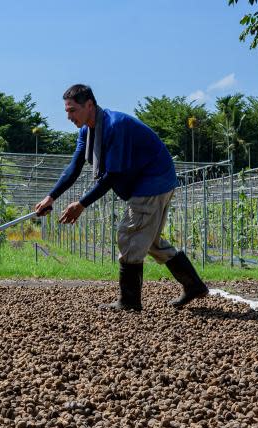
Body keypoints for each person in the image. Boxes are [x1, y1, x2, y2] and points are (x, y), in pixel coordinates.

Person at [34, 84, 208, 311]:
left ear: (89, 105)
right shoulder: (87, 131)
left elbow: (112, 175)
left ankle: (129, 301)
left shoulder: (114, 127)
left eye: (72, 110)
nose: (68, 116)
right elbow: (74, 167)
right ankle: (193, 285)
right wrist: (51, 197)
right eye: (67, 111)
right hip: (155, 181)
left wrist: (82, 204)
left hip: (153, 181)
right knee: (150, 241)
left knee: (129, 234)